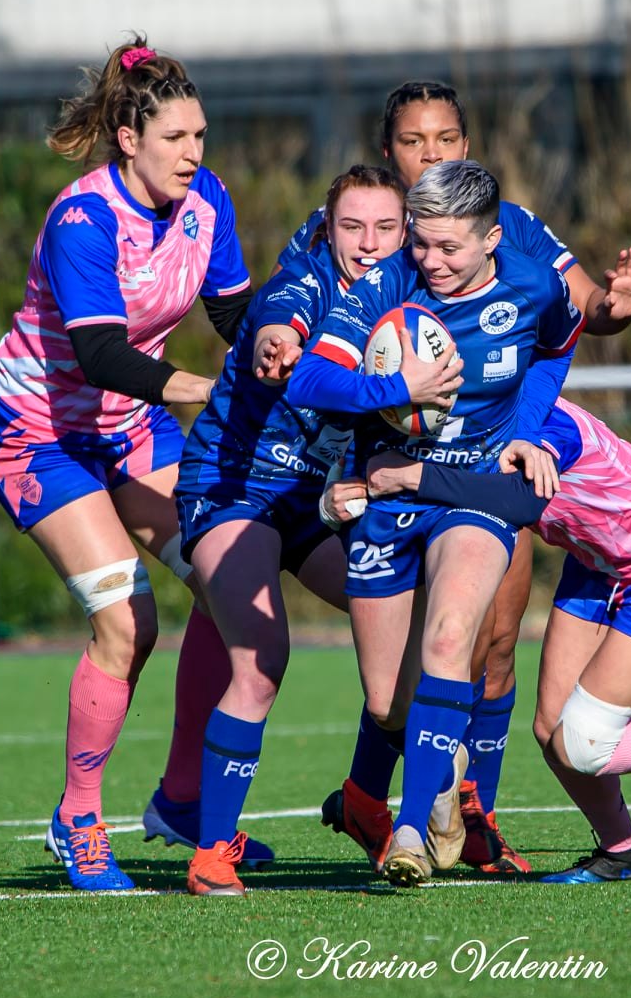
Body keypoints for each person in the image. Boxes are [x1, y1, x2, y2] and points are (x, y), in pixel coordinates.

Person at [294, 80, 631, 875]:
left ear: (492, 239)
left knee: (458, 636)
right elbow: (312, 380)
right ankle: (434, 773)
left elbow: (561, 340)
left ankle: (413, 831)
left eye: (448, 247)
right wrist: (400, 390)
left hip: (475, 493)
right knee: (388, 702)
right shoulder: (391, 279)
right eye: (422, 243)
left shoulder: (530, 277)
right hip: (387, 492)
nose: (430, 260)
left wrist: (523, 434)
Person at [0, 35, 268, 891]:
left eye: (201, 136)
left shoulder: (205, 200)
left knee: (226, 572)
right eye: (177, 138)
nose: (194, 153)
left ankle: (184, 803)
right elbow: (102, 354)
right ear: (128, 138)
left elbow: (234, 313)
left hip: (128, 427)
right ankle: (79, 817)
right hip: (40, 434)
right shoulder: (83, 218)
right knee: (129, 622)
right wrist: (204, 388)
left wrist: (292, 349)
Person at [170, 165, 459, 896]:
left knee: (415, 630)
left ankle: (367, 798)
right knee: (263, 657)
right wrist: (276, 345)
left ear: (408, 232)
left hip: (312, 499)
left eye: (385, 228)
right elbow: (281, 323)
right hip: (232, 486)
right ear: (326, 228)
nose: (368, 243)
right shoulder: (305, 281)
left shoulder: (408, 290)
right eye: (351, 226)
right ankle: (209, 851)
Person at [356, 396, 631, 883]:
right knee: (552, 730)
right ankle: (624, 851)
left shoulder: (541, 422)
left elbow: (517, 500)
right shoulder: (484, 411)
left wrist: (410, 477)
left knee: (583, 746)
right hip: (600, 559)